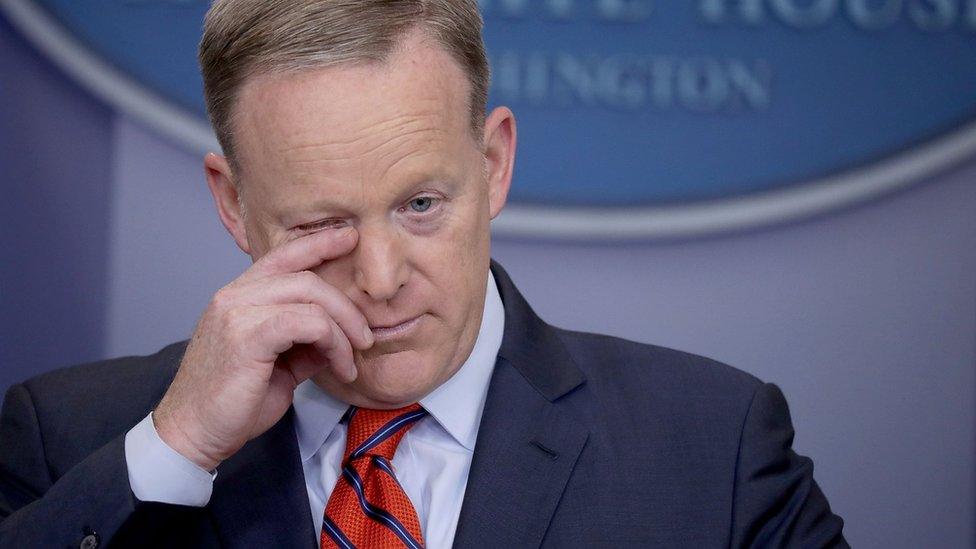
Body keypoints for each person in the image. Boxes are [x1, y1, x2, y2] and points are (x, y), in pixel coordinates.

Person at [0, 0, 848, 547]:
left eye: (419, 205)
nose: (378, 277)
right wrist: (174, 450)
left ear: (495, 164)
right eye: (323, 224)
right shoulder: (73, 438)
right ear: (233, 204)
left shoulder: (715, 448)